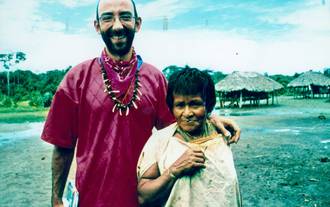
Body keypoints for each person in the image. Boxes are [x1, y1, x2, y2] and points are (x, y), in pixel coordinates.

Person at [41, 0, 241, 207]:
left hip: (146, 199)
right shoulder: (76, 79)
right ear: (97, 25)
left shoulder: (155, 79)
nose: (117, 25)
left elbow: (181, 125)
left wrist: (211, 119)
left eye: (125, 17)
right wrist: (56, 199)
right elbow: (63, 146)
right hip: (92, 199)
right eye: (108, 18)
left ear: (137, 23)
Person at [137, 68, 242, 207]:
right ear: (171, 107)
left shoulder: (221, 135)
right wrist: (174, 170)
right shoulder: (160, 142)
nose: (187, 113)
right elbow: (143, 197)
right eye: (180, 105)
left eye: (195, 104)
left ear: (208, 104)